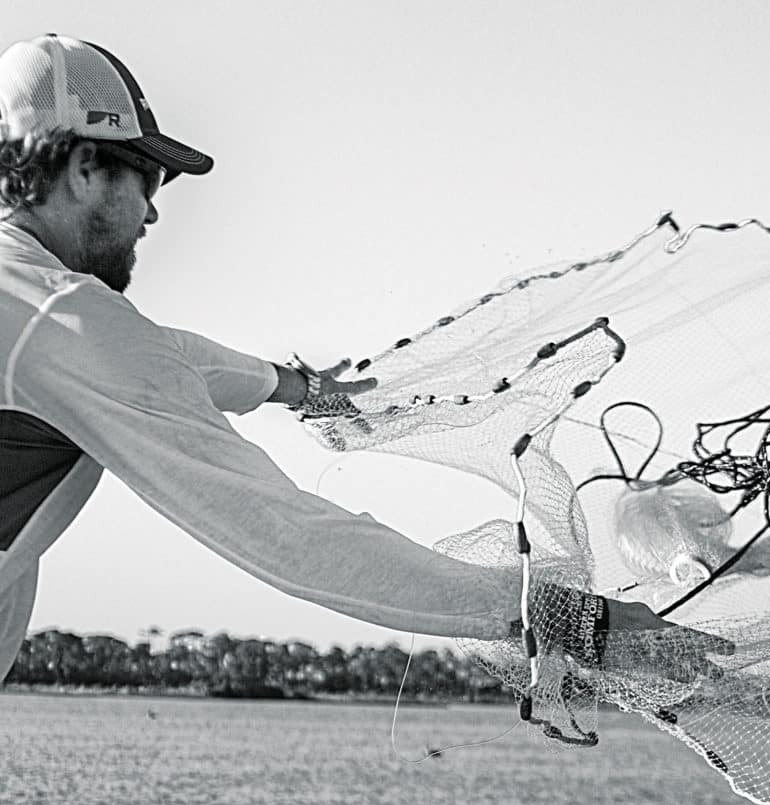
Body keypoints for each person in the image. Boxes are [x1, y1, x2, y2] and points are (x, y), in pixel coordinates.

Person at [0, 34, 730, 687]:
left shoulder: (30, 304)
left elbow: (165, 357)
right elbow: (285, 532)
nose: (154, 213)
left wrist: (297, 387)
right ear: (87, 166)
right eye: (148, 181)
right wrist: (564, 617)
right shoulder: (61, 319)